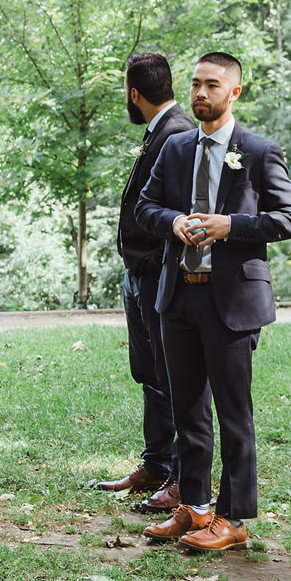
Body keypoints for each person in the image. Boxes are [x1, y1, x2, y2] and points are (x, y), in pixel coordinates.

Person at [133, 53, 291, 552]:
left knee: (233, 412)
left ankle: (234, 517)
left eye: (212, 85)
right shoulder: (175, 148)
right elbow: (144, 206)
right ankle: (195, 506)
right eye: (195, 84)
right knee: (187, 409)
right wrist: (172, 222)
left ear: (235, 93)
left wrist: (233, 226)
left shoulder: (258, 151)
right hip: (178, 295)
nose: (200, 94)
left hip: (231, 300)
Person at [94, 52, 195, 509]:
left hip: (158, 273)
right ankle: (156, 461)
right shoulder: (162, 129)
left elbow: (179, 208)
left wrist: (154, 263)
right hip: (141, 272)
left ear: (133, 94)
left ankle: (175, 472)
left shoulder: (176, 133)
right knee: (151, 372)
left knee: (170, 375)